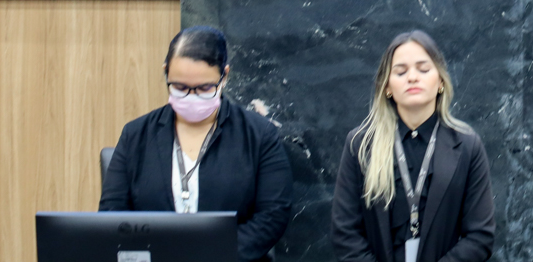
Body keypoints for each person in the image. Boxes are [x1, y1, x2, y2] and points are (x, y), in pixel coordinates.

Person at [101, 26, 293, 262]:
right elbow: (112, 214)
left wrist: (210, 255)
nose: (191, 96)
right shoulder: (135, 135)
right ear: (165, 73)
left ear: (225, 76)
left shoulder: (260, 135)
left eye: (204, 88)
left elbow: (272, 217)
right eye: (180, 87)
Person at [331, 30, 494, 262]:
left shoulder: (467, 145)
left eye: (423, 69)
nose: (412, 77)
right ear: (387, 87)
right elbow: (344, 233)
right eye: (400, 71)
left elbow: (480, 236)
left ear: (440, 81)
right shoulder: (360, 144)